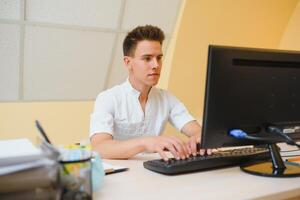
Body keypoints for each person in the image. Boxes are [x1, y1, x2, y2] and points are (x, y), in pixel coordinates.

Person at [90, 25, 210, 161]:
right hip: (120, 175)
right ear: (128, 62)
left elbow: (198, 131)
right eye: (147, 58)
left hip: (154, 174)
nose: (156, 65)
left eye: (159, 58)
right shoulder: (108, 98)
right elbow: (100, 147)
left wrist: (198, 139)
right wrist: (145, 143)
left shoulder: (167, 98)